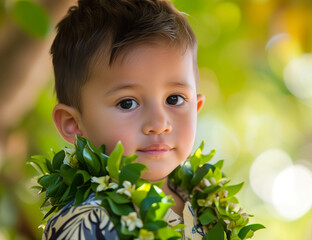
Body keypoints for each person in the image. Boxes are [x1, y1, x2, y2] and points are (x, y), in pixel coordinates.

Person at [43, 0, 205, 239]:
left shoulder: (206, 203)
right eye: (127, 103)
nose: (159, 123)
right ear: (73, 124)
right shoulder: (87, 222)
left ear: (197, 107)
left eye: (174, 99)